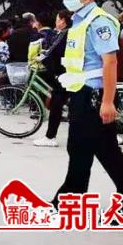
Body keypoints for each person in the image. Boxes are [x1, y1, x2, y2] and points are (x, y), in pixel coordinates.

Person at [51, 0, 123, 217]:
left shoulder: (98, 21)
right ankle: (71, 199)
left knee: (104, 152)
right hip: (81, 93)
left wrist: (108, 102)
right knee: (83, 149)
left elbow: (110, 62)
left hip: (94, 96)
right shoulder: (79, 21)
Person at [33, 10, 72, 147]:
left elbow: (54, 51)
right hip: (67, 72)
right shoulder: (65, 33)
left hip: (65, 74)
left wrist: (42, 58)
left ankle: (50, 137)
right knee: (60, 103)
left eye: (57, 19)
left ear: (63, 21)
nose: (56, 21)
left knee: (57, 104)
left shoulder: (65, 34)